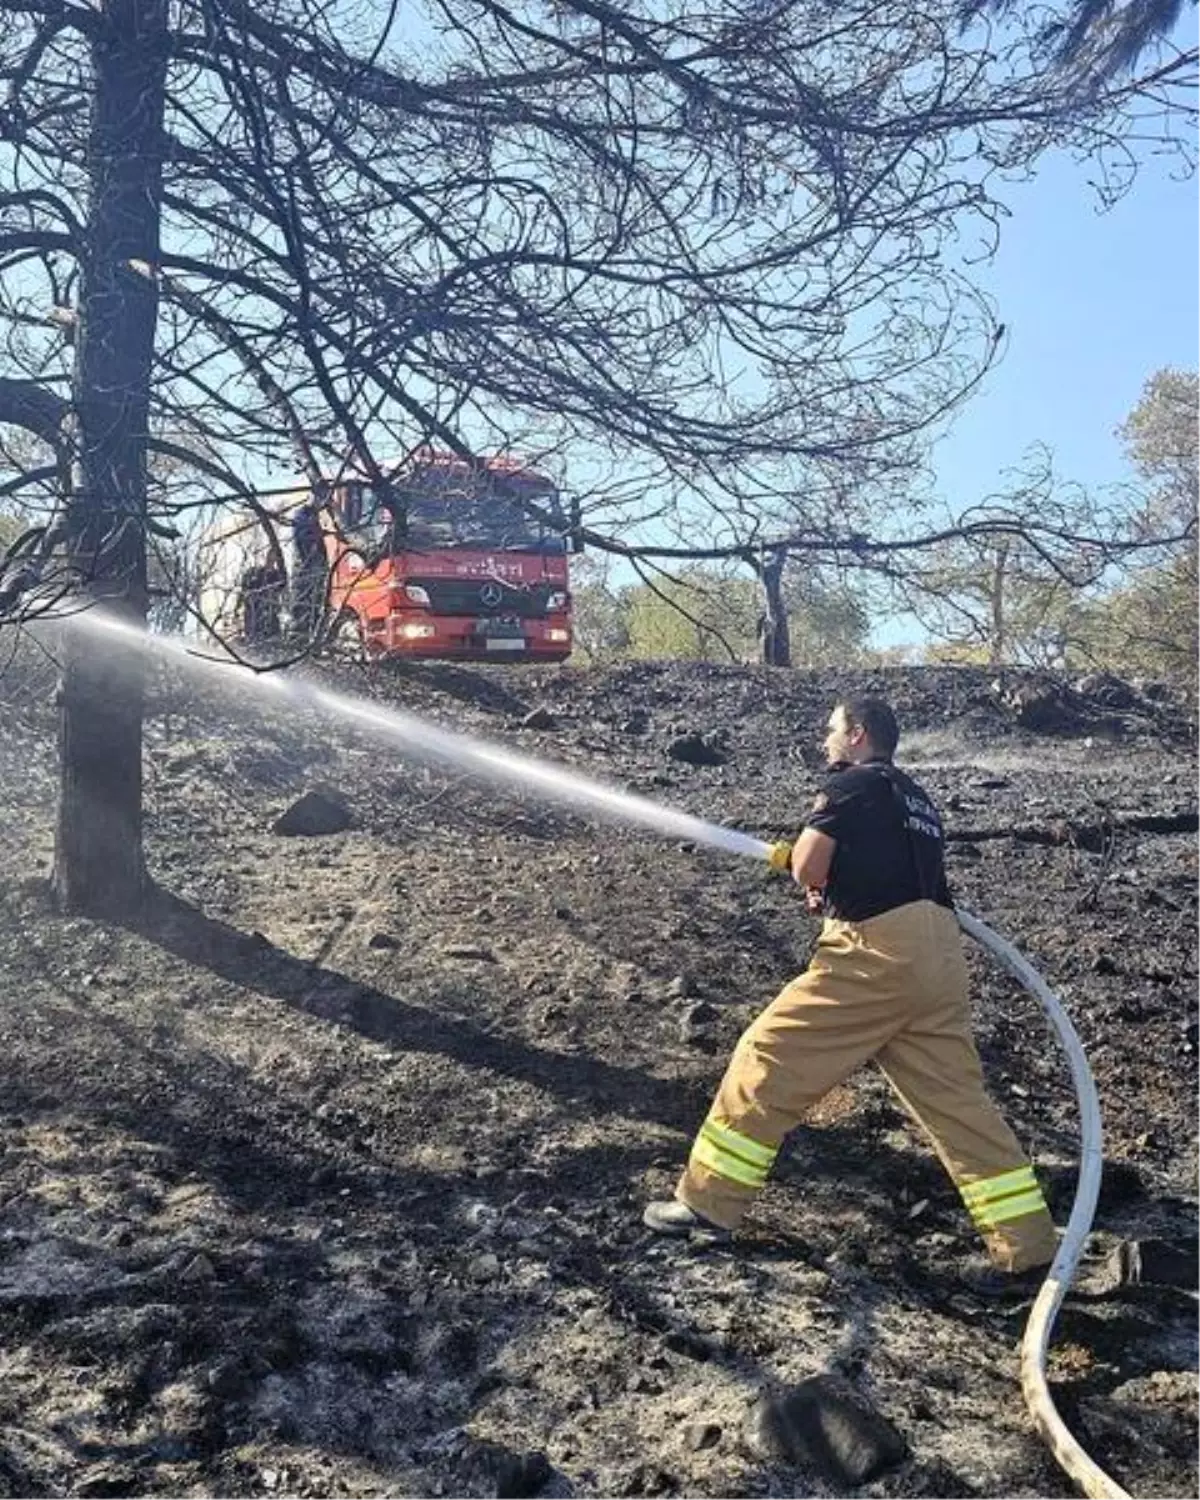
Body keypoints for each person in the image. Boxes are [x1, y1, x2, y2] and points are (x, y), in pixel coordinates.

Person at [644, 696, 1058, 1286]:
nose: (825, 742)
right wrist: (832, 885)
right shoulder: (917, 798)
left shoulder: (849, 784)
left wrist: (802, 866)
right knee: (959, 1107)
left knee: (766, 1058)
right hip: (937, 957)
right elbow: (883, 872)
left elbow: (810, 866)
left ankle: (707, 1205)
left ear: (857, 734)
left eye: (832, 731)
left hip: (876, 957)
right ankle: (1030, 1246)